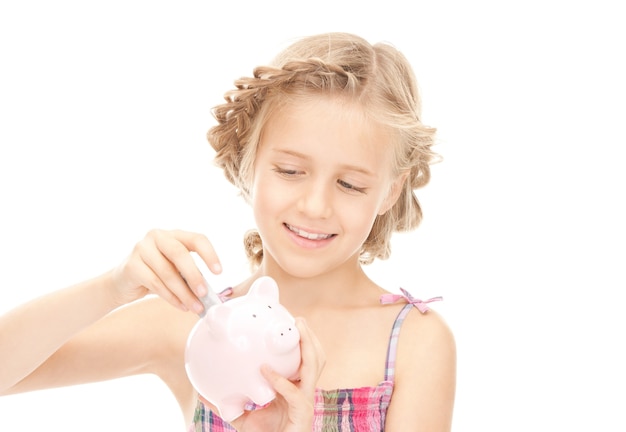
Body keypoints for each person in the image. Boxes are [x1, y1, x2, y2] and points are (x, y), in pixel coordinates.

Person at [0, 32, 456, 431]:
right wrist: (112, 287)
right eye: (290, 170)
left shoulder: (415, 341)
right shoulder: (197, 326)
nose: (316, 205)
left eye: (350, 184)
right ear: (246, 163)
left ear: (391, 190)